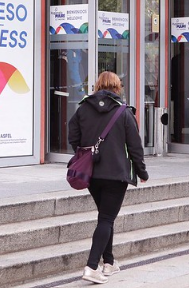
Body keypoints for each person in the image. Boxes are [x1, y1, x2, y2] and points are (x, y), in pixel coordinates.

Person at [69, 71, 149, 284]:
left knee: (106, 217)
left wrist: (86, 154)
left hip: (91, 174)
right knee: (106, 219)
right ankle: (91, 267)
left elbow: (73, 137)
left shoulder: (83, 108)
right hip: (116, 174)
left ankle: (109, 262)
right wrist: (142, 172)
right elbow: (135, 147)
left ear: (97, 86)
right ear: (117, 87)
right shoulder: (124, 112)